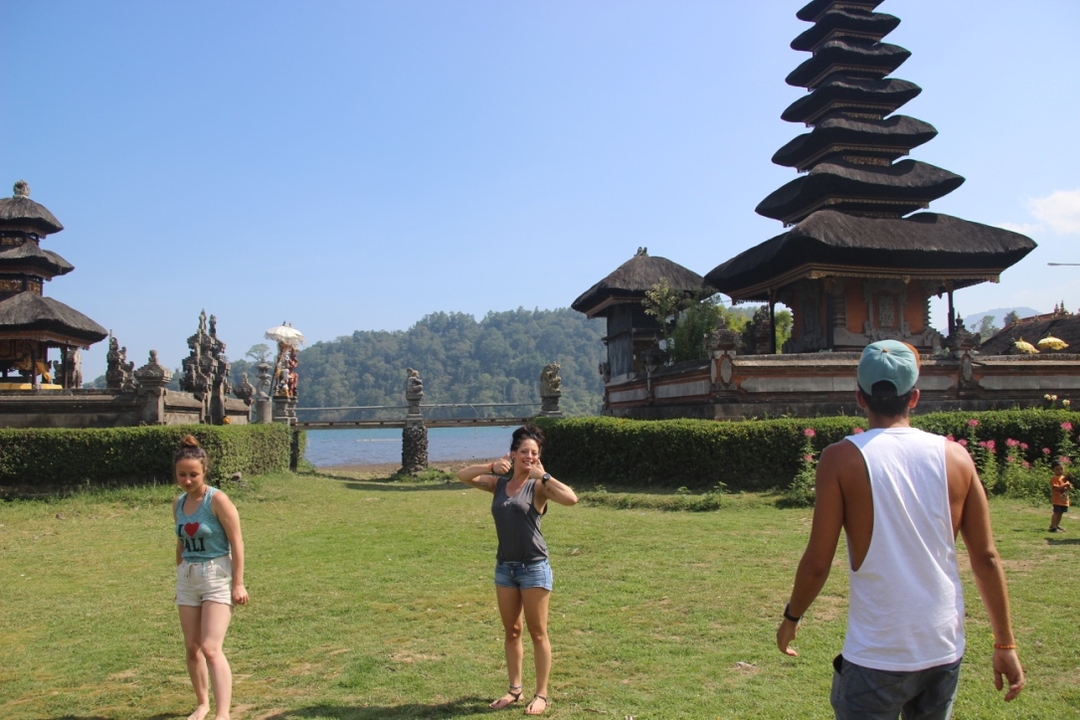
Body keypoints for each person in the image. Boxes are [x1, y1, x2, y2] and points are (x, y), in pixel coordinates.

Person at [776, 340, 1024, 718]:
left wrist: (792, 618)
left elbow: (817, 562)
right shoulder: (957, 456)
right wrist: (1005, 644)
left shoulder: (840, 458)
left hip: (878, 650)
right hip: (942, 646)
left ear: (860, 397)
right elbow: (986, 557)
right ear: (915, 397)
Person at [457, 424, 578, 716]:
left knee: (538, 633)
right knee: (512, 631)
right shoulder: (498, 484)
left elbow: (572, 498)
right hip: (505, 568)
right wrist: (490, 466)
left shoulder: (539, 487)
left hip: (534, 567)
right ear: (512, 454)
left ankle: (542, 695)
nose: (529, 457)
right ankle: (514, 690)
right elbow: (462, 476)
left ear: (539, 458)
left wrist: (545, 475)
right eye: (523, 451)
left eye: (534, 453)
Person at [172, 434, 249, 720]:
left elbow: (237, 542)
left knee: (211, 647)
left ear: (205, 471)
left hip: (217, 575)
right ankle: (202, 703)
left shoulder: (217, 500)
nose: (188, 480)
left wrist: (238, 583)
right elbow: (180, 543)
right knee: (192, 647)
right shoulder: (178, 504)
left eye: (193, 474)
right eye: (182, 475)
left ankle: (223, 713)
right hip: (189, 578)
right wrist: (180, 577)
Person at [1049, 462, 1072, 532]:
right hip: (1057, 499)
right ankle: (1053, 527)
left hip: (1063, 500)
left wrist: (1069, 486)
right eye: (1057, 469)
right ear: (1053, 470)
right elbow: (1055, 488)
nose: (1060, 471)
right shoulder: (1054, 478)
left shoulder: (1064, 478)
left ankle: (1056, 525)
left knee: (1061, 513)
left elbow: (1068, 487)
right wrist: (1065, 485)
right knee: (1056, 512)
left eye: (1061, 469)